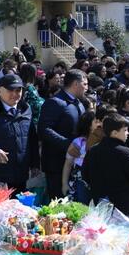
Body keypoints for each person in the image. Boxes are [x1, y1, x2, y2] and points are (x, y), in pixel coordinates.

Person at [38, 69, 88, 199]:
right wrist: (67, 144)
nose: (87, 88)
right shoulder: (55, 102)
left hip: (75, 164)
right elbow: (44, 129)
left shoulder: (79, 103)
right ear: (76, 84)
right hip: (56, 164)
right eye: (85, 84)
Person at [83, 113, 129, 217]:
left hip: (100, 202)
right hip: (122, 204)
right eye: (125, 130)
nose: (128, 133)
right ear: (114, 133)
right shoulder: (124, 151)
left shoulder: (93, 150)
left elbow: (85, 174)